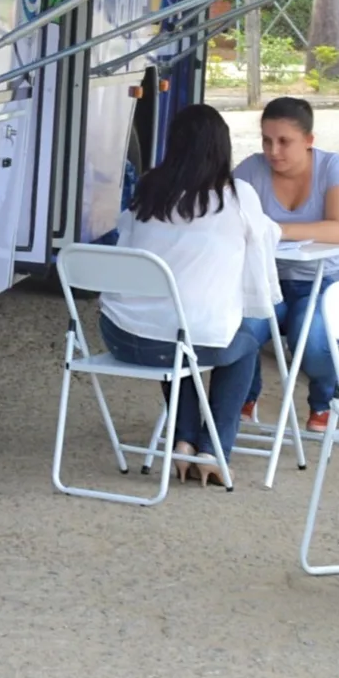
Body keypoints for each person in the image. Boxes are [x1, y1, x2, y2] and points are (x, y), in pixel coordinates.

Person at [96, 102, 279, 486]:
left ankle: (182, 441)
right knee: (243, 338)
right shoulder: (237, 194)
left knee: (173, 328)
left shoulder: (148, 189)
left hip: (124, 338)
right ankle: (214, 449)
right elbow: (261, 277)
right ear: (222, 147)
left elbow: (126, 249)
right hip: (184, 342)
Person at [231, 96, 339, 433]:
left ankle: (324, 402)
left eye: (285, 141)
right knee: (240, 330)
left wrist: (273, 230)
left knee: (311, 338)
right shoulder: (249, 171)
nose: (274, 151)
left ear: (309, 141)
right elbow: (228, 221)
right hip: (264, 280)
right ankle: (243, 397)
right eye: (267, 140)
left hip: (323, 279)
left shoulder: (333, 167)